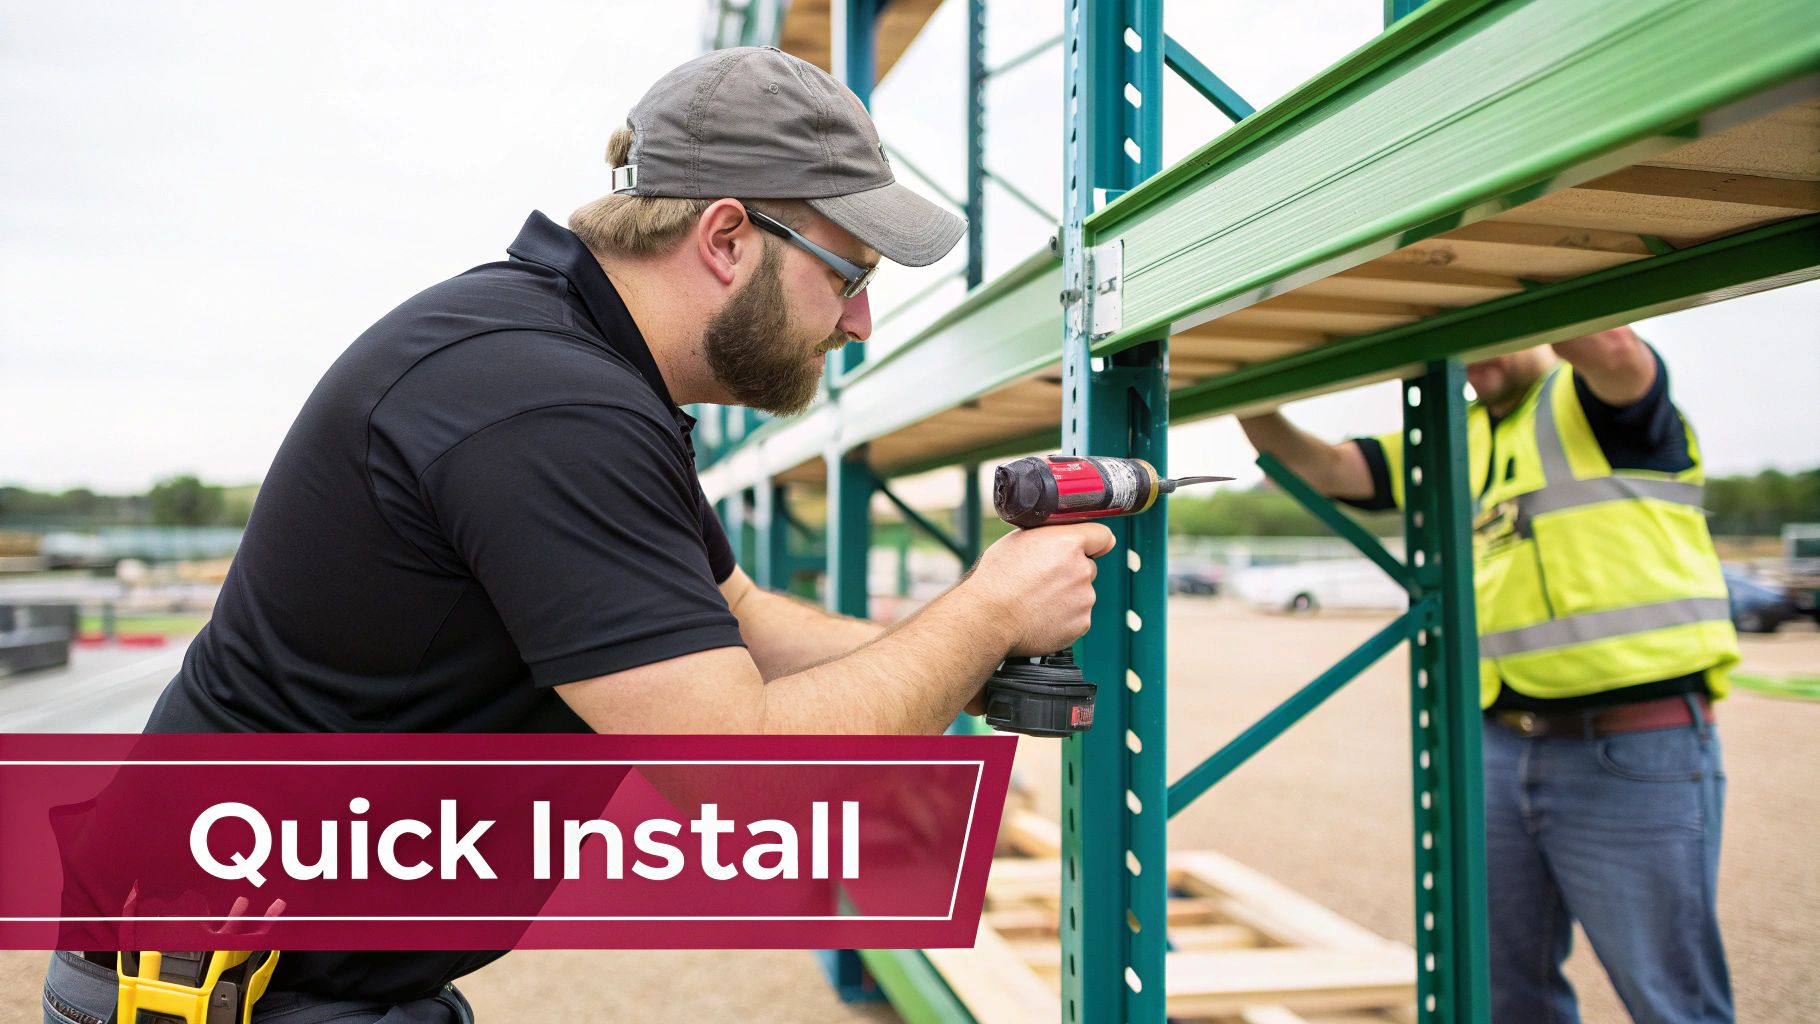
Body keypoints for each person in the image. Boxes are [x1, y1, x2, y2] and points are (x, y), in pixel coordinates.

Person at [43, 46, 1114, 1024]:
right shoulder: (549, 407)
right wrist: (982, 615)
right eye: (847, 275)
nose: (858, 321)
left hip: (300, 986)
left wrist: (973, 657)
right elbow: (742, 778)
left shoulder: (571, 363)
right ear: (727, 238)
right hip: (225, 999)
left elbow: (733, 620)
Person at [1239, 327, 1737, 1024]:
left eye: (1497, 328)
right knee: (1504, 990)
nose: (1482, 348)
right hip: (1501, 746)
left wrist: (1520, 276)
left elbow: (1617, 353)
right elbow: (1321, 466)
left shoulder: (1595, 400)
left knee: (1667, 996)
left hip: (1632, 747)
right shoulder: (1451, 433)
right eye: (1463, 332)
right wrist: (1242, 383)